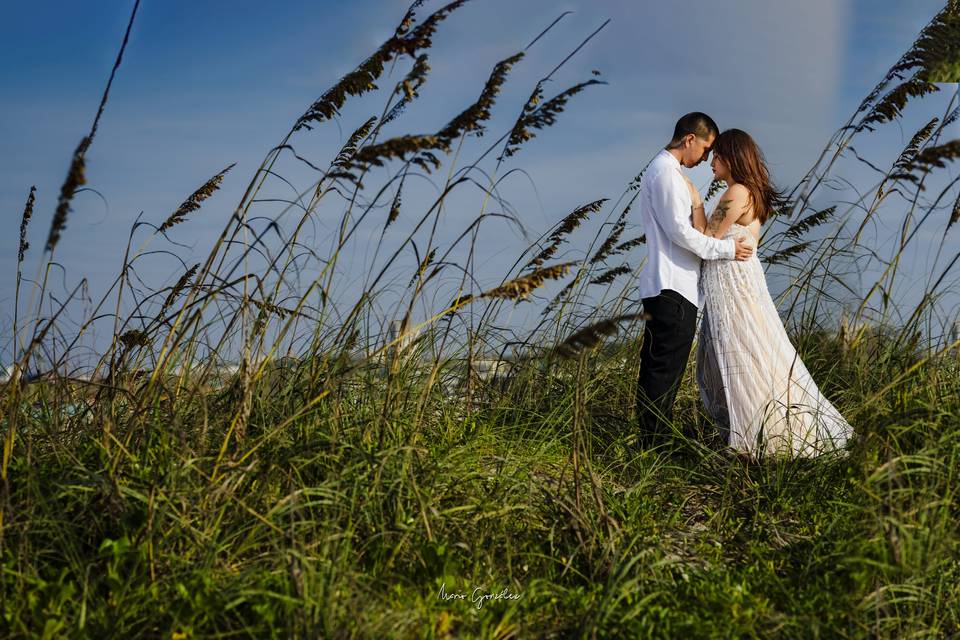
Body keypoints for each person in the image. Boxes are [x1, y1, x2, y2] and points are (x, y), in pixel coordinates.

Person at [692, 128, 852, 457]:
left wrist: (694, 200)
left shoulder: (736, 192)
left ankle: (753, 435)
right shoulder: (750, 192)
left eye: (717, 155)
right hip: (741, 278)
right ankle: (753, 428)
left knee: (740, 352)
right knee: (750, 350)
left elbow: (705, 239)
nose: (711, 162)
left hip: (733, 281)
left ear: (731, 157)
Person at [635, 113, 755, 448]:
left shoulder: (668, 173)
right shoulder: (665, 173)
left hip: (674, 286)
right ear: (690, 139)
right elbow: (680, 233)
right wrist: (726, 248)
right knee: (662, 372)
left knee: (661, 370)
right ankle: (654, 446)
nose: (705, 158)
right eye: (705, 148)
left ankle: (652, 443)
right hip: (671, 286)